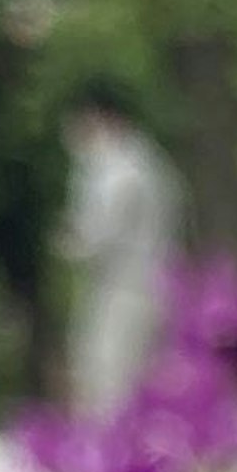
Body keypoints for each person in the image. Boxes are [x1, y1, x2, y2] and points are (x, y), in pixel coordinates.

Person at [58, 77, 183, 418]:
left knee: (108, 384)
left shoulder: (119, 169)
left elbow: (94, 235)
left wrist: (69, 240)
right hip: (150, 286)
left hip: (123, 289)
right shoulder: (151, 161)